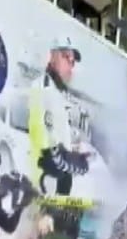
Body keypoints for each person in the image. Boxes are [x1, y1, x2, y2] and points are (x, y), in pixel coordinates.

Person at [30, 38, 89, 196]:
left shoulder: (60, 93)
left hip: (59, 180)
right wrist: (61, 159)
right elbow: (44, 139)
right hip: (44, 179)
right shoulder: (43, 88)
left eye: (72, 61)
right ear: (51, 56)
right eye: (66, 57)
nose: (70, 65)